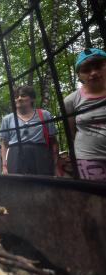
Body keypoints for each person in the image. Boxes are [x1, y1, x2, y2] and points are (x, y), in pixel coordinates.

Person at [64, 48, 106, 181]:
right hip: (88, 159)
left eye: (98, 66)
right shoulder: (71, 100)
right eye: (86, 70)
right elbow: (72, 131)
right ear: (79, 75)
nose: (93, 73)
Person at [0, 86, 59, 176]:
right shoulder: (7, 119)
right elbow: (4, 144)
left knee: (43, 186)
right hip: (15, 158)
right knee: (19, 187)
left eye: (23, 95)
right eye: (16, 97)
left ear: (32, 99)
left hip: (40, 157)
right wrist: (4, 166)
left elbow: (53, 141)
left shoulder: (44, 114)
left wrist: (55, 163)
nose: (19, 98)